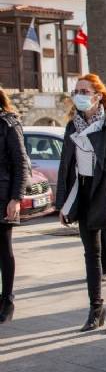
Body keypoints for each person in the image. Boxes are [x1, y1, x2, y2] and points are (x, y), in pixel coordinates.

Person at [55, 74, 106, 334]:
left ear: (97, 95)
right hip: (83, 194)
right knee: (91, 255)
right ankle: (95, 310)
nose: (78, 94)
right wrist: (63, 204)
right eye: (76, 90)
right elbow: (65, 167)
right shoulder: (72, 127)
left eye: (84, 90)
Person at [0, 87, 30, 323]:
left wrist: (16, 198)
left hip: (3, 196)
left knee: (4, 249)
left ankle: (7, 299)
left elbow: (21, 163)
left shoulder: (9, 124)